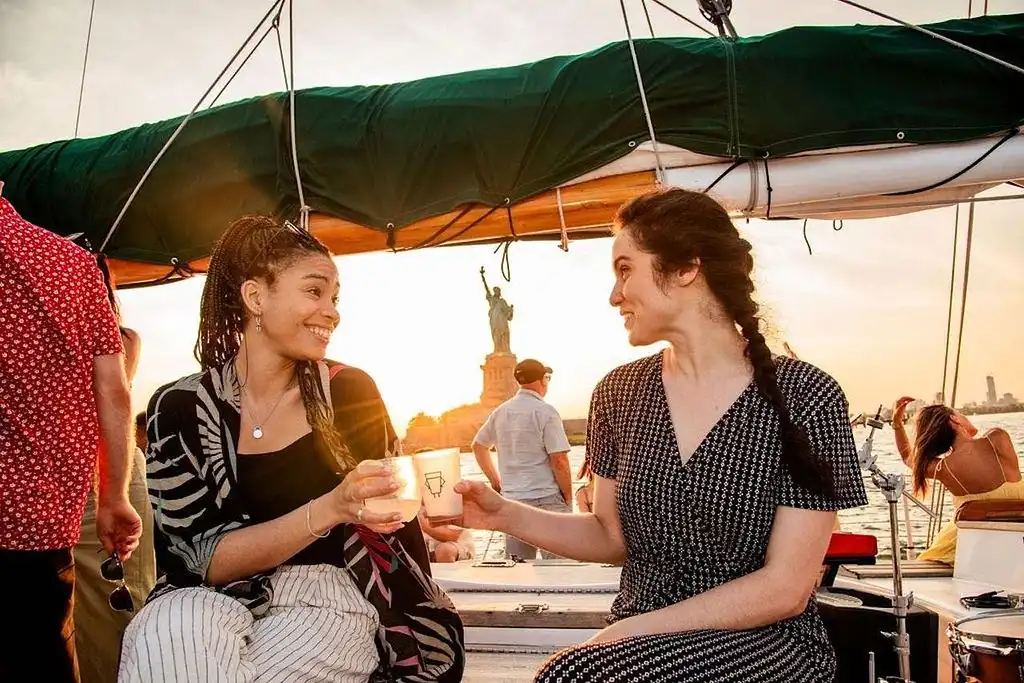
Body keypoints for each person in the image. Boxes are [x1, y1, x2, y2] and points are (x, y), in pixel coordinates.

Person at [456, 188, 867, 683]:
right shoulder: (618, 393)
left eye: (625, 269)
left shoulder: (808, 396)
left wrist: (628, 634)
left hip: (765, 643)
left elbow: (786, 590)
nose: (614, 294)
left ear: (686, 269)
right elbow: (612, 537)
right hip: (631, 649)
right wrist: (504, 514)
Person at [116, 216, 463, 683]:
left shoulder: (350, 392)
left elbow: (390, 515)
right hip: (202, 595)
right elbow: (204, 560)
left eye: (335, 298)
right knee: (169, 647)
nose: (332, 311)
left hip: (323, 593)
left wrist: (421, 515)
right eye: (315, 291)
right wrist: (331, 507)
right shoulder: (176, 408)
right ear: (255, 296)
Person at [0, 188, 142, 683]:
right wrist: (115, 496)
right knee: (44, 655)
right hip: (39, 526)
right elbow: (115, 391)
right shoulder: (73, 264)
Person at [73, 258, 157, 683]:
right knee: (95, 606)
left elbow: (108, 397)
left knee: (118, 597)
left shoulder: (122, 339)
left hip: (106, 475)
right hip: (105, 472)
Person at [892, 397, 1024, 564]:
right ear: (954, 420)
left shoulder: (942, 468)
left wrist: (897, 424)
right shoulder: (997, 438)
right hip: (1018, 538)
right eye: (959, 413)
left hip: (968, 546)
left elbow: (908, 458)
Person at [471, 358, 573, 561]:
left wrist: (495, 481)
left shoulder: (500, 412)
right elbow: (559, 460)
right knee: (561, 567)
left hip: (512, 501)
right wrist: (568, 496)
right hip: (547, 499)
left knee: (518, 567)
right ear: (543, 380)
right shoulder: (546, 411)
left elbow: (478, 446)